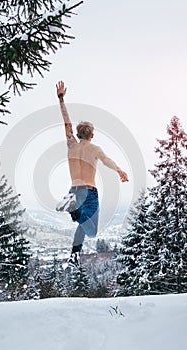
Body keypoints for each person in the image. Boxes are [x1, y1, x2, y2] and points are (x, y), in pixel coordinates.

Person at [56, 81, 129, 267]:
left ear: (78, 134)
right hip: (89, 192)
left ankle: (74, 256)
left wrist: (61, 99)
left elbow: (66, 123)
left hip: (74, 189)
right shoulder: (95, 149)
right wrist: (119, 170)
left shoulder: (71, 144)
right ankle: (75, 210)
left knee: (82, 225)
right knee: (92, 231)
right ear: (92, 135)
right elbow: (106, 161)